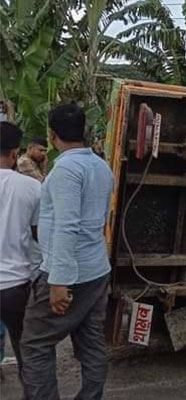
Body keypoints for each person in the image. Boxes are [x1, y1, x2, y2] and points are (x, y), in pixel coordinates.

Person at [20, 104, 114, 400]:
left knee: (35, 345)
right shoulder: (101, 166)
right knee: (90, 341)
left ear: (51, 135)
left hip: (69, 273)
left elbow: (67, 226)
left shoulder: (66, 169)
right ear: (84, 131)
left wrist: (58, 281)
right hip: (96, 269)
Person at [0, 121, 42, 396]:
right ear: (15, 153)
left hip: (15, 283)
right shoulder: (31, 187)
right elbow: (40, 236)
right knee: (25, 352)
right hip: (15, 285)